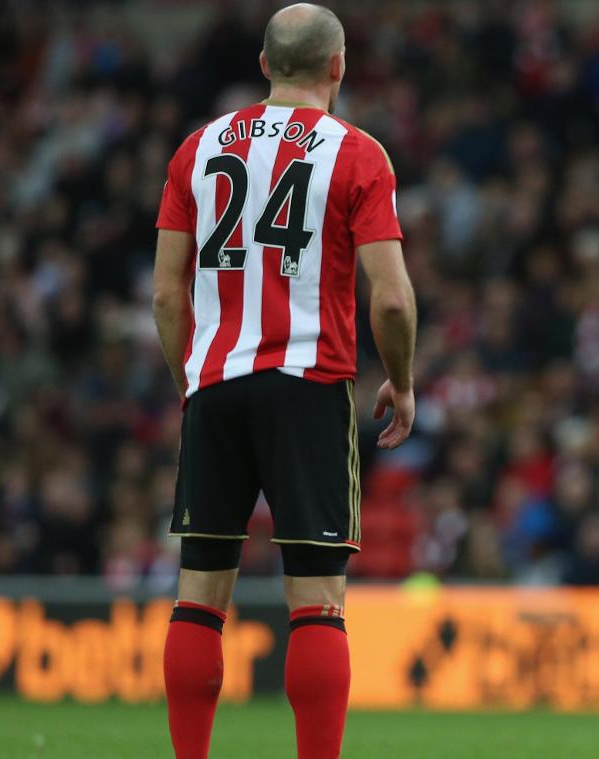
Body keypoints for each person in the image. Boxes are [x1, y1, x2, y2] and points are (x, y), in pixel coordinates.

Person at [151, 4, 416, 757]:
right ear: (338, 67)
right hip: (308, 382)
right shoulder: (358, 154)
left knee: (199, 596)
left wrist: (190, 381)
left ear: (265, 65)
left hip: (217, 381)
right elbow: (391, 296)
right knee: (318, 604)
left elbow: (167, 295)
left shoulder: (197, 149)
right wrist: (403, 379)